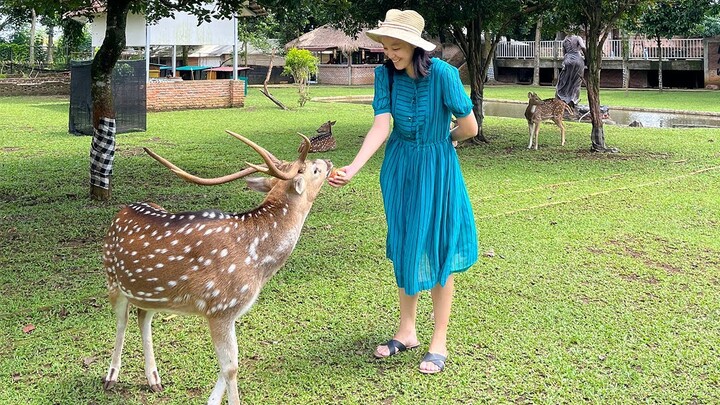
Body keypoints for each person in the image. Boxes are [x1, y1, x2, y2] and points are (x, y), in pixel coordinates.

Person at [327, 9, 479, 374]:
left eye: (397, 48)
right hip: (399, 169)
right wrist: (354, 166)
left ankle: (438, 340)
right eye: (386, 47)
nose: (390, 54)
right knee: (407, 244)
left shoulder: (443, 75)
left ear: (415, 47)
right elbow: (381, 125)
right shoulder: (385, 76)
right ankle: (407, 331)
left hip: (437, 168)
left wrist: (445, 142)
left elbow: (469, 127)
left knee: (440, 247)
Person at [555, 33, 586, 109]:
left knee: (564, 81)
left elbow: (564, 54)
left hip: (567, 60)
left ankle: (562, 99)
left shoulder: (565, 40)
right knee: (577, 82)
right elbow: (583, 47)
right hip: (578, 60)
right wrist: (587, 57)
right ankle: (574, 100)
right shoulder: (578, 38)